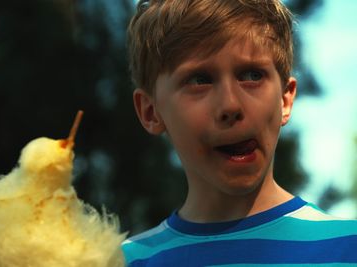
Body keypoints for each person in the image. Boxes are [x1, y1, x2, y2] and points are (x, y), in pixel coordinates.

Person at [122, 0, 357, 266]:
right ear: (151, 112)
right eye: (200, 80)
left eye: (252, 75)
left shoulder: (349, 248)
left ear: (285, 100)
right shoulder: (119, 261)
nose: (231, 105)